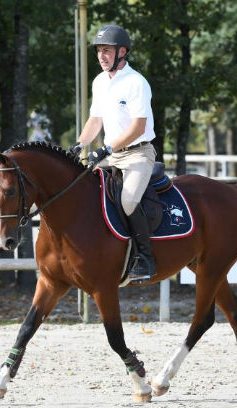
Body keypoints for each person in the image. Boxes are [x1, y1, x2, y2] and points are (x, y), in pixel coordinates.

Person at [72, 24, 156, 282]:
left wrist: (106, 148)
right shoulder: (99, 82)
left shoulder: (136, 82)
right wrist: (79, 145)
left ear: (122, 52)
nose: (101, 56)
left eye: (106, 51)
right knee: (81, 191)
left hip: (138, 154)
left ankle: (145, 258)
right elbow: (95, 120)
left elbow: (137, 127)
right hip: (112, 155)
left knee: (128, 200)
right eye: (99, 51)